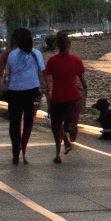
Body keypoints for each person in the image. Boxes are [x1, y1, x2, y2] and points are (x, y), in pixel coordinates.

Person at [0, 27, 45, 165]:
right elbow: (41, 72)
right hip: (32, 91)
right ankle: (23, 149)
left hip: (15, 91)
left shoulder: (12, 55)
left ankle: (15, 151)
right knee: (28, 122)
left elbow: (9, 74)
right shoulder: (36, 54)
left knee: (14, 123)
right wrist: (44, 90)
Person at [42, 31, 87, 164]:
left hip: (57, 97)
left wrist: (47, 97)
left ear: (57, 44)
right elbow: (83, 81)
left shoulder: (52, 61)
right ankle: (68, 135)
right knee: (69, 123)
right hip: (73, 97)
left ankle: (57, 154)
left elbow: (48, 81)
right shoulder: (76, 60)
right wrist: (85, 93)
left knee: (56, 126)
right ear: (69, 45)